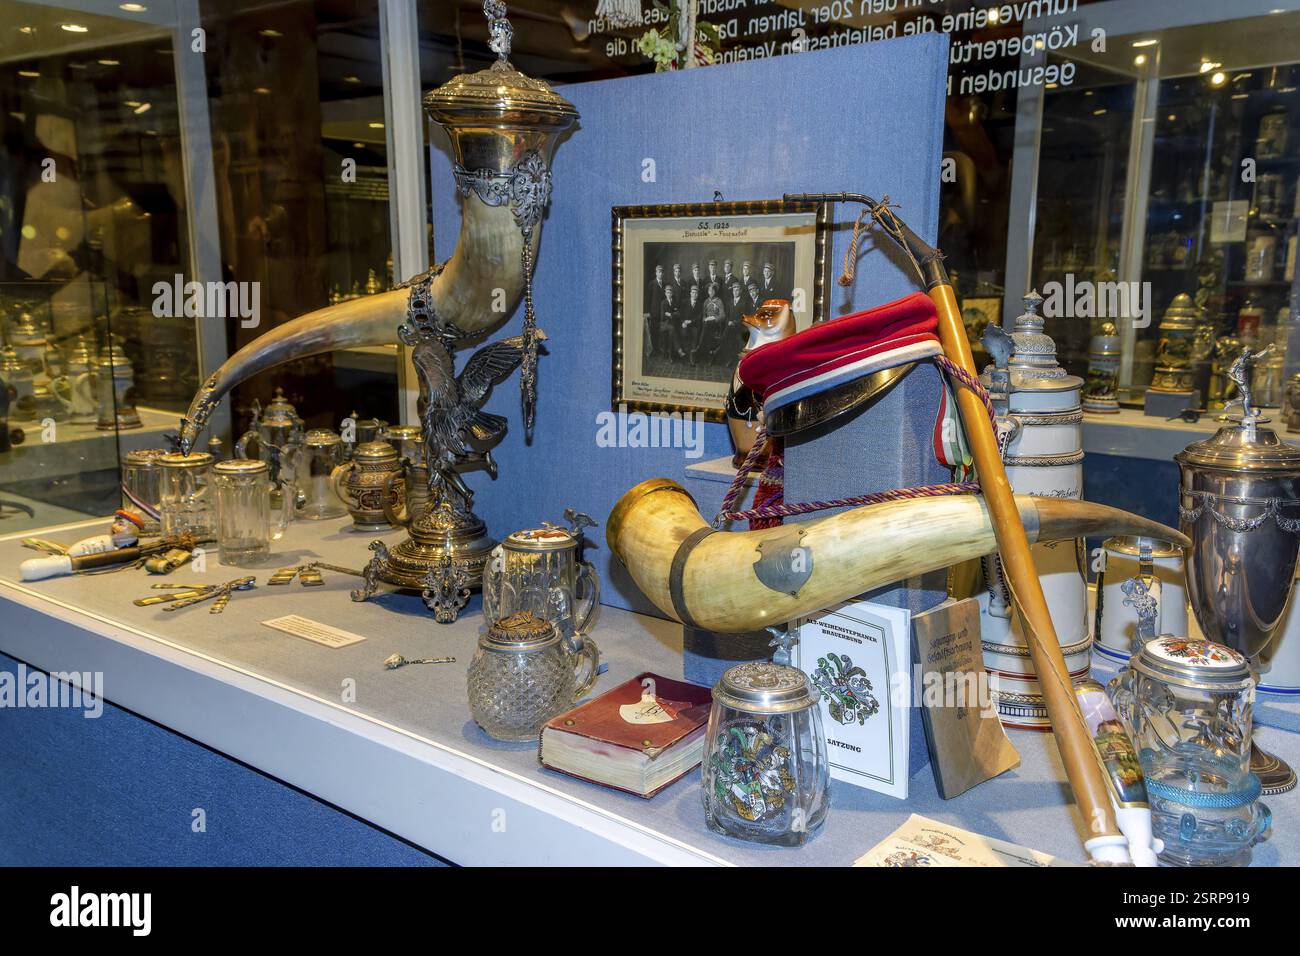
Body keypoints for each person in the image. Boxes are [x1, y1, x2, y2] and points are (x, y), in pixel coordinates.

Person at [697, 281, 727, 364]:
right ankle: (709, 354)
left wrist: (713, 318)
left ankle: (699, 349)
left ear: (715, 291)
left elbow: (723, 316)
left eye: (713, 291)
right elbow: (703, 315)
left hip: (716, 324)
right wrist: (705, 319)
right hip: (706, 324)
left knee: (708, 326)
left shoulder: (719, 301)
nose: (711, 292)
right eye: (709, 291)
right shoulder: (706, 301)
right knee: (706, 325)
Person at [645, 263, 670, 354]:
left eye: (662, 272)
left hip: (662, 312)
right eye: (659, 272)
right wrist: (648, 311)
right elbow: (648, 299)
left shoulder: (665, 285)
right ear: (656, 273)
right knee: (654, 330)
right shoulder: (652, 284)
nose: (661, 274)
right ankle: (654, 349)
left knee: (662, 330)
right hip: (654, 311)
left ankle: (661, 348)